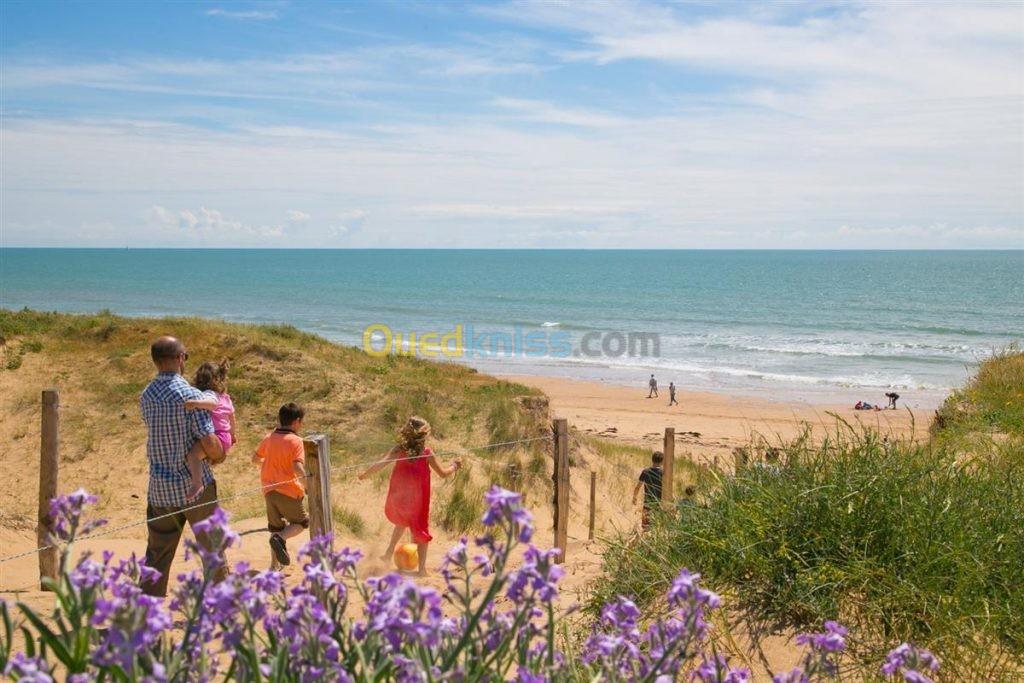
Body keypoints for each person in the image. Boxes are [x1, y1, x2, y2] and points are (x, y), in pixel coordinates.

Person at [139, 336, 226, 597]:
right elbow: (208, 440)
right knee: (212, 549)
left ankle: (146, 612)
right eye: (185, 356)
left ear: (155, 361)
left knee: (157, 554)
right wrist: (219, 454)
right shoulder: (190, 394)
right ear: (179, 359)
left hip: (160, 487)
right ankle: (222, 607)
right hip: (194, 487)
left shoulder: (146, 395)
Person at [357, 416, 460, 576]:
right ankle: (422, 570)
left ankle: (388, 553)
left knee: (403, 521)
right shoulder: (426, 453)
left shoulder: (399, 449)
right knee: (421, 530)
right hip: (418, 500)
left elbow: (381, 463)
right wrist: (454, 466)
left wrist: (365, 474)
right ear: (423, 435)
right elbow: (443, 473)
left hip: (401, 497)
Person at [253, 402, 308, 568]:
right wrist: (308, 485)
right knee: (301, 523)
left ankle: (274, 566)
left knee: (275, 527)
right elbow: (297, 467)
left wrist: (269, 465)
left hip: (268, 490)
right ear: (297, 421)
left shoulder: (269, 438)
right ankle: (281, 539)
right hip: (289, 490)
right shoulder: (296, 441)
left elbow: (255, 459)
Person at [183, 360, 236, 502]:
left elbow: (212, 404)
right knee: (203, 457)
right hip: (225, 437)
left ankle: (196, 483)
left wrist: (195, 403)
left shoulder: (208, 394)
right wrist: (233, 435)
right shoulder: (226, 398)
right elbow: (232, 418)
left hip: (216, 436)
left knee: (193, 456)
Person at [632, 451, 663, 531]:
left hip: (647, 501)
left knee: (645, 526)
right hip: (658, 502)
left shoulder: (646, 471)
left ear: (652, 460)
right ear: (662, 461)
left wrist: (634, 497)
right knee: (656, 527)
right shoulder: (663, 473)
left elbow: (638, 486)